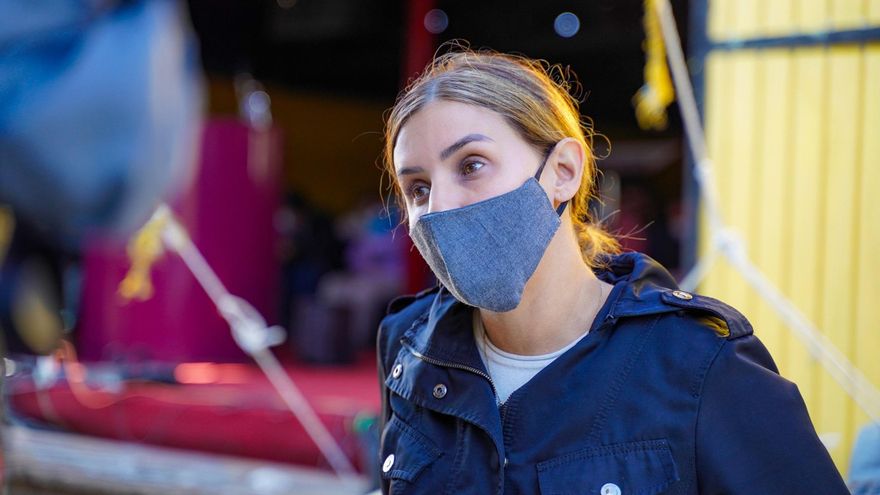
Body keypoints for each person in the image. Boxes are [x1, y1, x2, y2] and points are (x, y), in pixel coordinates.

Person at [375, 46, 849, 494]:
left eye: (472, 164)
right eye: (417, 188)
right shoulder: (408, 345)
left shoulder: (699, 362)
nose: (440, 206)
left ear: (563, 171)